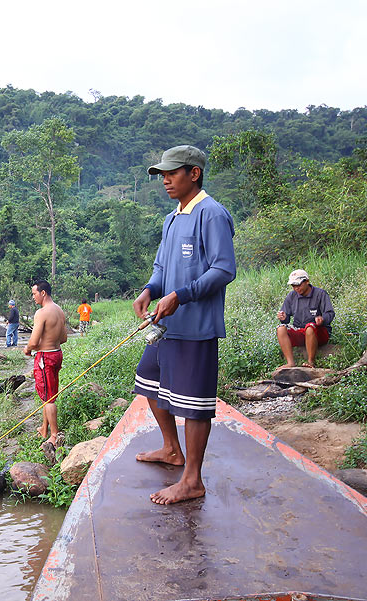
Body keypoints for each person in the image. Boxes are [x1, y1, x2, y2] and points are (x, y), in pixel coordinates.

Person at [131, 145, 236, 505]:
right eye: (162, 174)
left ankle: (192, 480)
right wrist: (150, 289)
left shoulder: (211, 214)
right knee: (148, 382)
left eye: (172, 173)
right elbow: (162, 267)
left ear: (194, 173)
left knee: (194, 405)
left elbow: (224, 270)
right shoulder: (173, 217)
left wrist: (181, 295)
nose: (165, 180)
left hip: (196, 326)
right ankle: (171, 448)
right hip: (165, 326)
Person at [24, 280, 68, 447]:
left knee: (49, 399)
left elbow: (34, 342)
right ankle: (44, 428)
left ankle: (54, 435)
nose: (33, 297)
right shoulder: (59, 310)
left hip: (45, 357)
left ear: (43, 293)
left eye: (34, 293)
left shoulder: (41, 313)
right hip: (56, 354)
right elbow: (63, 338)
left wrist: (27, 349)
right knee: (50, 394)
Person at [276, 269, 334, 368]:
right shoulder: (291, 296)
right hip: (300, 331)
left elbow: (330, 313)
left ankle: (311, 361)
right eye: (293, 286)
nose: (296, 288)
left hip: (318, 332)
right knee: (280, 328)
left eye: (298, 285)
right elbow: (286, 319)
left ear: (307, 281)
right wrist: (283, 317)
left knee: (310, 327)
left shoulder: (320, 294)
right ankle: (290, 362)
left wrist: (322, 319)